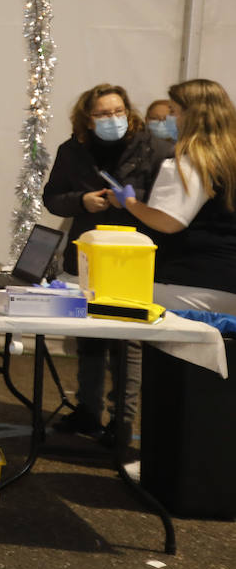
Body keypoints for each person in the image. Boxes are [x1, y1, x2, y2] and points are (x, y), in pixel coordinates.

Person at [43, 84, 171, 441]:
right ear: (87, 118)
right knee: (90, 339)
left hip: (135, 257)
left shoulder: (155, 148)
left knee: (127, 342)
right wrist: (82, 201)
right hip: (89, 253)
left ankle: (122, 421)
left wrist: (132, 202)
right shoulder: (72, 150)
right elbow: (53, 198)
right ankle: (87, 410)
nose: (112, 119)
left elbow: (169, 203)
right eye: (102, 114)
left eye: (117, 111)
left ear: (129, 113)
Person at [109, 79, 236, 315]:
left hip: (190, 283)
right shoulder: (228, 160)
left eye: (174, 112)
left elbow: (168, 221)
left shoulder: (190, 162)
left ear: (192, 115)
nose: (170, 119)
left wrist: (130, 203)